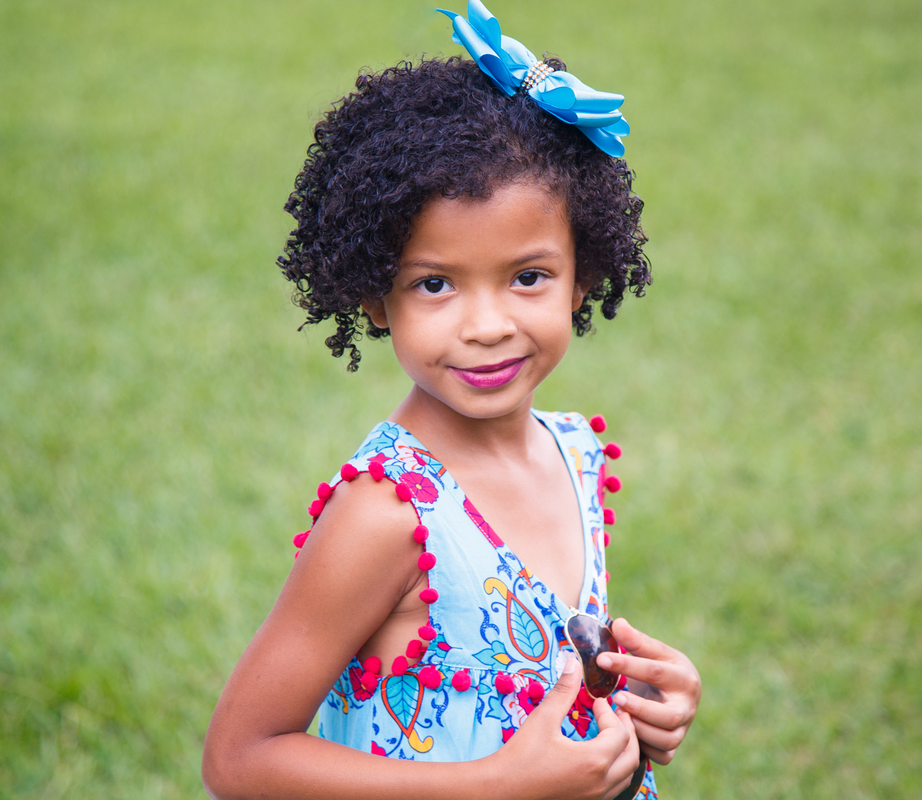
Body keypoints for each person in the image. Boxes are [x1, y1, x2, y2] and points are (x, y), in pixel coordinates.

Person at [203, 3, 700, 798]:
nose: (487, 326)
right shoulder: (390, 512)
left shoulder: (574, 450)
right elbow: (240, 758)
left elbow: (530, 662)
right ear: (374, 297)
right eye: (434, 284)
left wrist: (641, 699)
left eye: (528, 276)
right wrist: (495, 785)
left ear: (585, 275)